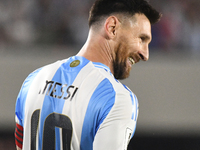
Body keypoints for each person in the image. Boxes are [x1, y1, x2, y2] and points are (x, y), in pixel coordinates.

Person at [14, 0, 161, 149]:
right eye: (141, 39)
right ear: (112, 28)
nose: (145, 54)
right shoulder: (117, 98)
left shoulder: (34, 79)